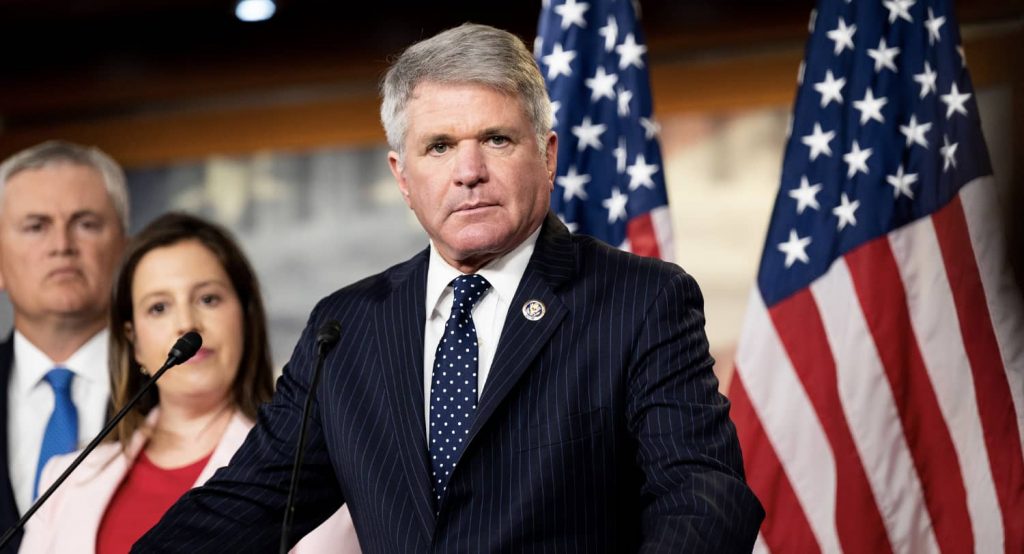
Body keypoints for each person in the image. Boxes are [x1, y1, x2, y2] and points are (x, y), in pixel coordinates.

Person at [136, 23, 764, 552]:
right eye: (438, 147)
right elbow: (251, 500)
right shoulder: (346, 328)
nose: (469, 172)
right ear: (403, 178)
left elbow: (703, 496)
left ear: (546, 156)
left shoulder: (641, 300)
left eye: (496, 139)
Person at [19, 213, 359, 553]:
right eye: (159, 307)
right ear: (133, 340)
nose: (187, 323)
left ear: (245, 315)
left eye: (208, 299)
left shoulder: (318, 470)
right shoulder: (65, 479)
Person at [0, 141, 128, 553]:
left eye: (86, 223)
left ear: (125, 252)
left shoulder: (179, 388)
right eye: (36, 226)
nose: (62, 245)